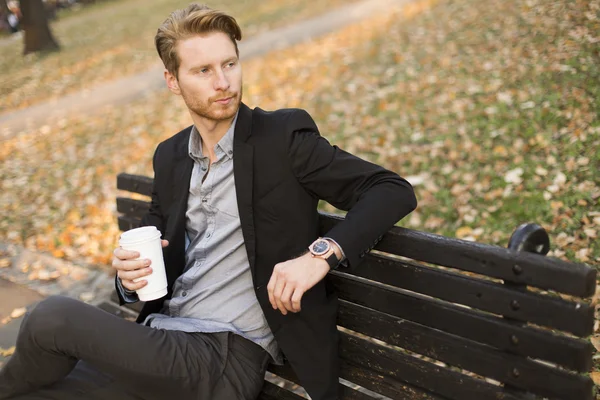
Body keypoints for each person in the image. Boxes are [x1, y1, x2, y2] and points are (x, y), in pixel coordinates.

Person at [0, 3, 416, 400]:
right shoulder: (171, 156)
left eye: (229, 64)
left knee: (51, 318)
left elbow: (390, 189)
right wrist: (126, 280)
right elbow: (154, 249)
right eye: (203, 70)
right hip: (163, 342)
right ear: (172, 80)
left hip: (223, 359)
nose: (224, 82)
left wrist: (319, 256)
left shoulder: (282, 138)